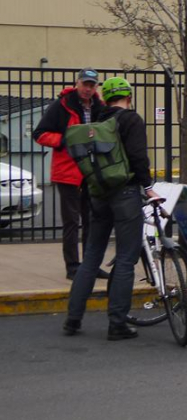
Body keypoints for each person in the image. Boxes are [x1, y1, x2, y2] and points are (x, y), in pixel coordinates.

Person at [62, 77, 161, 341]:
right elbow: (139, 157)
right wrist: (148, 185)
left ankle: (73, 320)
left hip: (98, 195)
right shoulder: (131, 120)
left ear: (104, 98)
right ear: (129, 96)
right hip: (125, 194)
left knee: (92, 256)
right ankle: (117, 323)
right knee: (126, 258)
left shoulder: (97, 122)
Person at [33, 68, 110, 280]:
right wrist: (65, 140)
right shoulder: (62, 106)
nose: (87, 88)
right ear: (77, 83)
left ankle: (91, 265)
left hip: (92, 172)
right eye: (84, 84)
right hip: (68, 173)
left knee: (91, 221)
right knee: (71, 222)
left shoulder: (99, 107)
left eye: (91, 85)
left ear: (96, 87)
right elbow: (39, 134)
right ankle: (73, 267)